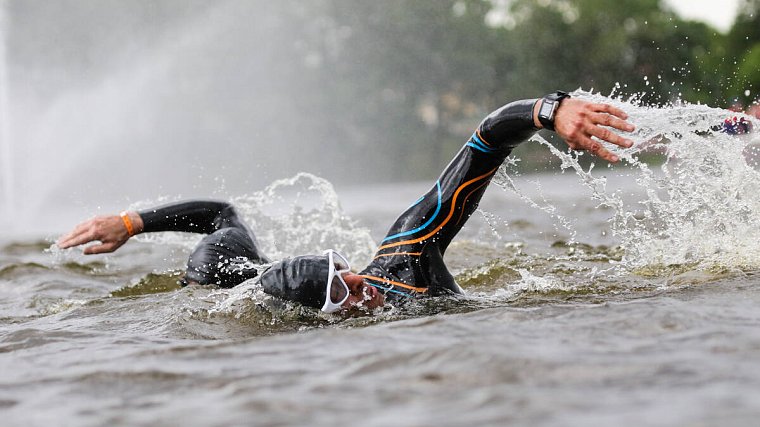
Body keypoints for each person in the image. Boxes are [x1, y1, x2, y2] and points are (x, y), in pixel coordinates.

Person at [58, 93, 635, 314]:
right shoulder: (227, 293)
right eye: (345, 297)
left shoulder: (407, 258)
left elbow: (485, 138)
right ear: (315, 319)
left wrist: (548, 111)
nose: (364, 290)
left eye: (349, 276)